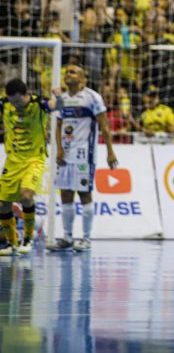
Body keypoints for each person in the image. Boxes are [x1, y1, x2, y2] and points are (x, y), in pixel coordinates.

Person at [46, 65, 118, 252]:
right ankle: (67, 238)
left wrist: (110, 152)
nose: (67, 74)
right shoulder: (62, 99)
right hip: (66, 154)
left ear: (82, 78)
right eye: (66, 72)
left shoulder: (92, 97)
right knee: (66, 194)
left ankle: (86, 239)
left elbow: (105, 126)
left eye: (73, 72)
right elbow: (59, 125)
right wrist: (59, 150)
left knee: (84, 194)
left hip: (84, 154)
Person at [0, 79, 57, 256]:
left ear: (26, 95)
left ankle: (28, 240)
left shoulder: (38, 104)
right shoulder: (5, 104)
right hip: (13, 161)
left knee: (26, 195)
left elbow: (56, 106)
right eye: (12, 102)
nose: (15, 105)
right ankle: (11, 243)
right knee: (2, 204)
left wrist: (61, 97)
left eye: (18, 101)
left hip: (34, 159)